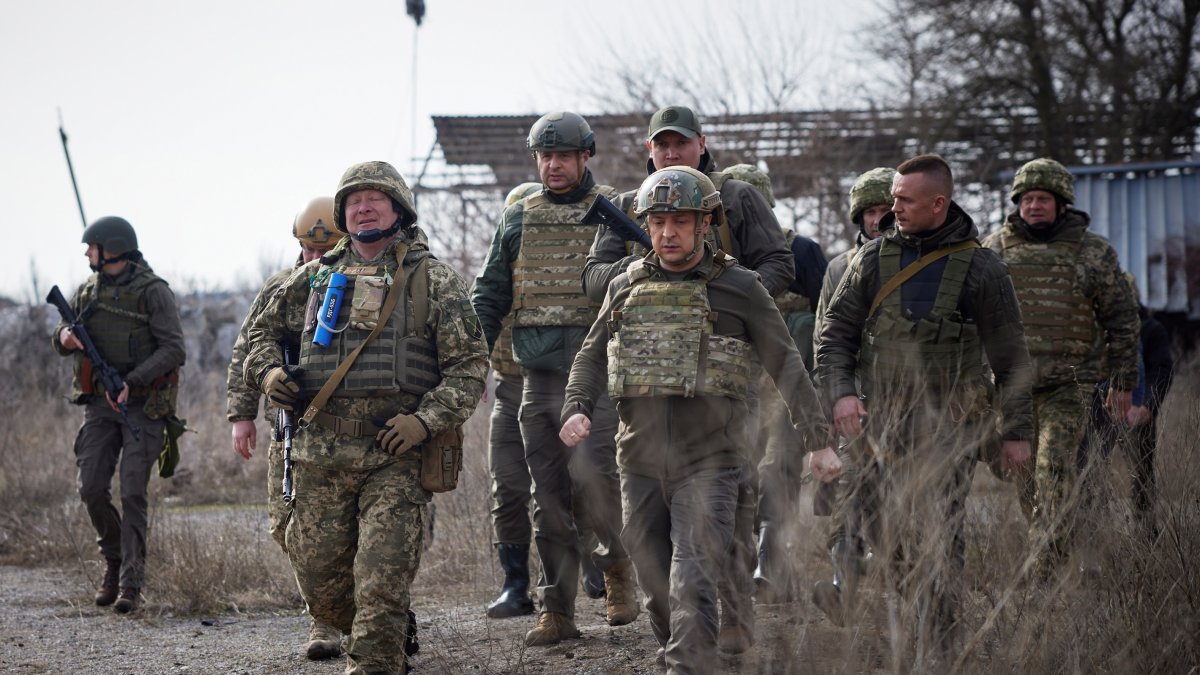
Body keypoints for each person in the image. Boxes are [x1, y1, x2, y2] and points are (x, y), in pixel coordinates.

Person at [560, 166, 835, 674]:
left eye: (680, 221)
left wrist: (818, 440)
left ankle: (688, 666)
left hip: (712, 459)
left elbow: (786, 364)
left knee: (693, 576)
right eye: (658, 221)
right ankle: (679, 651)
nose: (667, 233)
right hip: (638, 458)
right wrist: (576, 405)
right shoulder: (624, 286)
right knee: (656, 585)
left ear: (704, 224)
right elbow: (591, 355)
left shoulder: (740, 287)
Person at [244, 161, 488, 675]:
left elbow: (469, 370)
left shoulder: (434, 281)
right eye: (353, 200)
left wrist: (424, 422)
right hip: (318, 455)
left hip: (393, 457)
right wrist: (267, 375)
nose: (363, 206)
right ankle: (386, 631)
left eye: (375, 198)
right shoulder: (313, 279)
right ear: (342, 214)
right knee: (322, 587)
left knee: (379, 582)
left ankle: (378, 656)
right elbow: (259, 336)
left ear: (398, 209)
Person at [816, 154, 1033, 657]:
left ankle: (938, 648)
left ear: (939, 203)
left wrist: (1017, 432)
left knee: (941, 536)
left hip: (949, 430)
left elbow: (1012, 357)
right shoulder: (871, 261)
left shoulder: (982, 268)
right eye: (892, 197)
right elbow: (835, 337)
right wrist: (841, 394)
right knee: (876, 525)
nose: (892, 208)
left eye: (903, 200)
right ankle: (907, 603)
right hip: (877, 426)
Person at [471, 112, 638, 647]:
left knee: (595, 483)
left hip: (596, 374)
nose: (554, 164)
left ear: (585, 156)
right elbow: (491, 293)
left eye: (563, 155)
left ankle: (616, 574)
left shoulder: (615, 211)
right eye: (545, 156)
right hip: (538, 377)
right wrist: (469, 359)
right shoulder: (518, 218)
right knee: (547, 497)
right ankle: (557, 610)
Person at [982, 157, 1139, 578]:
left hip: (1069, 384)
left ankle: (1042, 575)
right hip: (1012, 386)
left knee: (1054, 468)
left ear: (1062, 204)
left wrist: (1124, 381)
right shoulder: (992, 250)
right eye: (1027, 199)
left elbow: (1121, 319)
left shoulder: (1093, 252)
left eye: (1043, 199)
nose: (1034, 206)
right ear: (1017, 204)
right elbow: (973, 318)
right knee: (1027, 481)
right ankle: (1054, 550)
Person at [225, 196, 343, 658]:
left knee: (344, 528)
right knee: (288, 527)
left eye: (324, 249)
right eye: (307, 250)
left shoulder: (361, 283)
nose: (314, 260)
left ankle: (341, 621)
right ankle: (325, 612)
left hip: (344, 426)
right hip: (288, 426)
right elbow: (247, 349)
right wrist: (241, 414)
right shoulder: (280, 287)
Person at [52, 216, 186, 614]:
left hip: (143, 406)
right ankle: (112, 556)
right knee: (91, 487)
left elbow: (174, 349)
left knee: (132, 492)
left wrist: (133, 379)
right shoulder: (86, 292)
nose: (86, 254)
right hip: (98, 407)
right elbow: (62, 334)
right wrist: (63, 337)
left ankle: (130, 582)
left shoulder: (153, 292)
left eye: (90, 247)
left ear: (110, 248)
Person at [809, 167, 894, 621]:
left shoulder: (927, 264)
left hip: (912, 401)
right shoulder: (840, 267)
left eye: (887, 212)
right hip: (854, 401)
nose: (878, 221)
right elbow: (826, 340)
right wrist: (828, 408)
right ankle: (842, 588)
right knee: (852, 495)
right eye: (870, 213)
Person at [1079, 274, 1173, 542]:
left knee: (1142, 477)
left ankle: (1146, 538)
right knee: (1091, 474)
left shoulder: (1151, 329)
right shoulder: (1093, 329)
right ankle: (1096, 539)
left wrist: (1147, 406)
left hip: (1138, 413)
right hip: (1099, 413)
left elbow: (1162, 371)